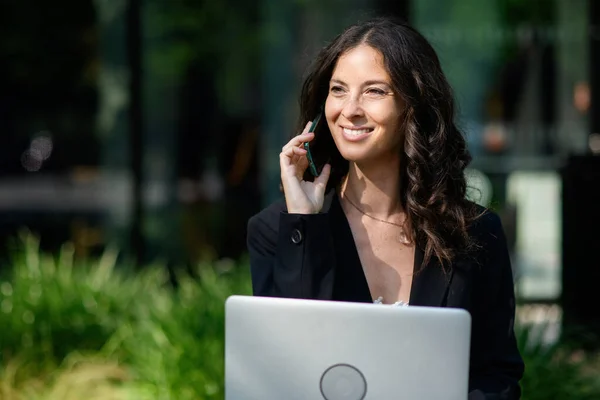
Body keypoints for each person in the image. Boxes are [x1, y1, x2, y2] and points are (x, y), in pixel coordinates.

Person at [246, 17, 524, 399]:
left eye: (374, 91)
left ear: (414, 105)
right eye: (338, 90)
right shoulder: (278, 230)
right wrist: (304, 225)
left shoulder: (475, 232)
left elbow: (497, 376)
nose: (350, 109)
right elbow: (284, 369)